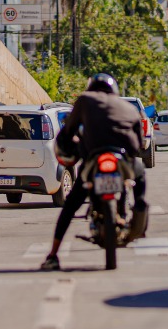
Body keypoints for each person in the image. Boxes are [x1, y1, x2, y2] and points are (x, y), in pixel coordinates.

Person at [40, 72, 148, 271]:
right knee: (140, 177)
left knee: (70, 206)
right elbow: (140, 144)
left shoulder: (85, 99)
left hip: (94, 158)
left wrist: (73, 147)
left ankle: (53, 255)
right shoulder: (129, 107)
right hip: (123, 158)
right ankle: (140, 217)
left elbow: (68, 131)